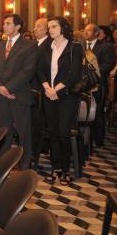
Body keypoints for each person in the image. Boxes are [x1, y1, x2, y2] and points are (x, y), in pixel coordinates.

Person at [37, 16, 82, 185]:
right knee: (53, 133)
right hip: (49, 95)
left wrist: (56, 89)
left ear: (63, 28)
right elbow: (40, 70)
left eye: (54, 26)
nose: (50, 30)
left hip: (67, 96)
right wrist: (48, 88)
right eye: (49, 27)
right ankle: (55, 168)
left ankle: (65, 170)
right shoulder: (46, 47)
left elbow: (75, 74)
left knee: (63, 133)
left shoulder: (74, 47)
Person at [0, 14, 37, 170]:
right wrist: (1, 89)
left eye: (8, 23)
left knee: (23, 131)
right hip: (2, 95)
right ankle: (4, 162)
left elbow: (27, 71)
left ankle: (25, 163)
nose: (4, 26)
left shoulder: (29, 45)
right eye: (4, 23)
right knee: (4, 131)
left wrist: (9, 88)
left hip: (19, 95)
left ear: (18, 27)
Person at [83, 23, 115, 148]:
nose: (86, 32)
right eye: (84, 30)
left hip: (98, 84)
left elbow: (107, 65)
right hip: (81, 85)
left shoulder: (106, 47)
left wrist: (88, 71)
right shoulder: (79, 46)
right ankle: (85, 140)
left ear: (96, 33)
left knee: (97, 112)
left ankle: (98, 140)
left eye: (89, 30)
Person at [31, 17, 52, 168]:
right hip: (32, 89)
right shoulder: (34, 44)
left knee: (39, 123)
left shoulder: (48, 45)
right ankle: (33, 150)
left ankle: (36, 153)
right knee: (33, 123)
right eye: (35, 26)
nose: (35, 29)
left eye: (38, 26)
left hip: (41, 89)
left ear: (46, 29)